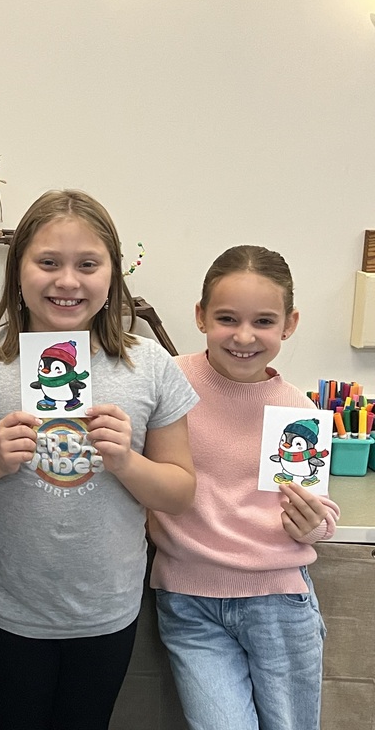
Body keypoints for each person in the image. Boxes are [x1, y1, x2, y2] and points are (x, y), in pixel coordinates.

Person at [0, 189, 198, 730]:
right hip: (5, 603)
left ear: (113, 275)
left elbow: (180, 491)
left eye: (87, 265)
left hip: (107, 606)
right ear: (18, 270)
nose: (67, 281)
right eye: (48, 262)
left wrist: (127, 462)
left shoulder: (148, 365)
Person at [149, 245, 340, 730]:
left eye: (264, 321)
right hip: (188, 602)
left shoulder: (296, 407)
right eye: (227, 318)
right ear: (200, 316)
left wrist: (316, 524)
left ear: (289, 324)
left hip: (279, 601)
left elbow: (318, 508)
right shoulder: (168, 382)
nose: (244, 336)